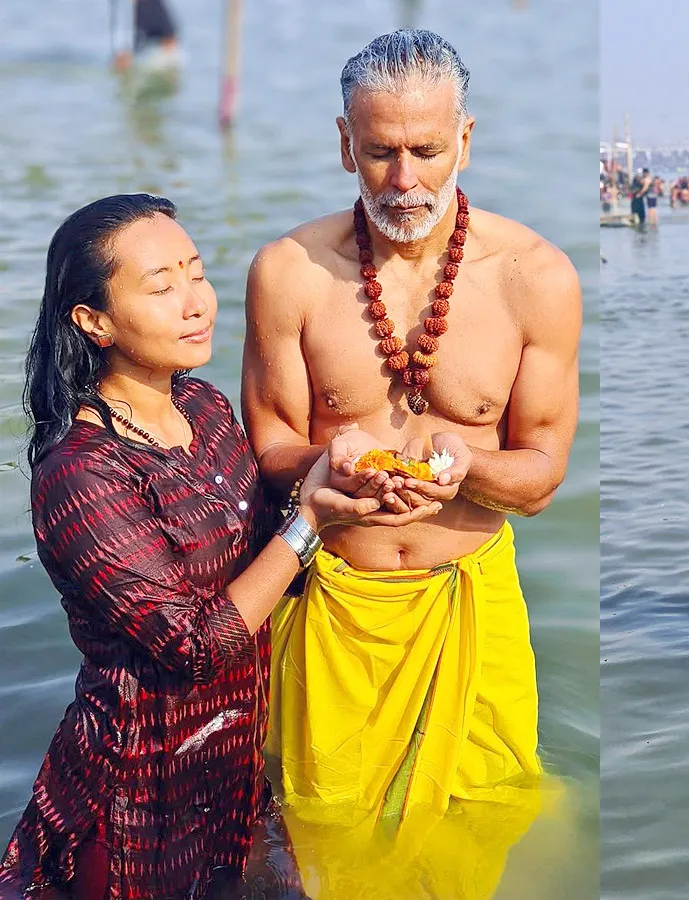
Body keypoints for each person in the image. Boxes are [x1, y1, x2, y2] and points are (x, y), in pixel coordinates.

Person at [0, 195, 432, 899]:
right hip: (136, 792)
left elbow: (272, 561)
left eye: (195, 273)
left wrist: (349, 487)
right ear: (93, 321)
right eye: (160, 287)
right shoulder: (80, 473)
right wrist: (311, 523)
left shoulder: (204, 408)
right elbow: (194, 647)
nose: (194, 301)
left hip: (232, 771)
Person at [240, 27, 581, 865]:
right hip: (335, 604)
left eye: (426, 150)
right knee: (323, 833)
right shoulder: (289, 271)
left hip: (469, 597)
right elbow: (270, 443)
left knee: (482, 825)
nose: (404, 179)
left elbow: (539, 477)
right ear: (343, 143)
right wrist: (329, 466)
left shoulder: (536, 277)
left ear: (465, 138)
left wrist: (469, 468)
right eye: (380, 151)